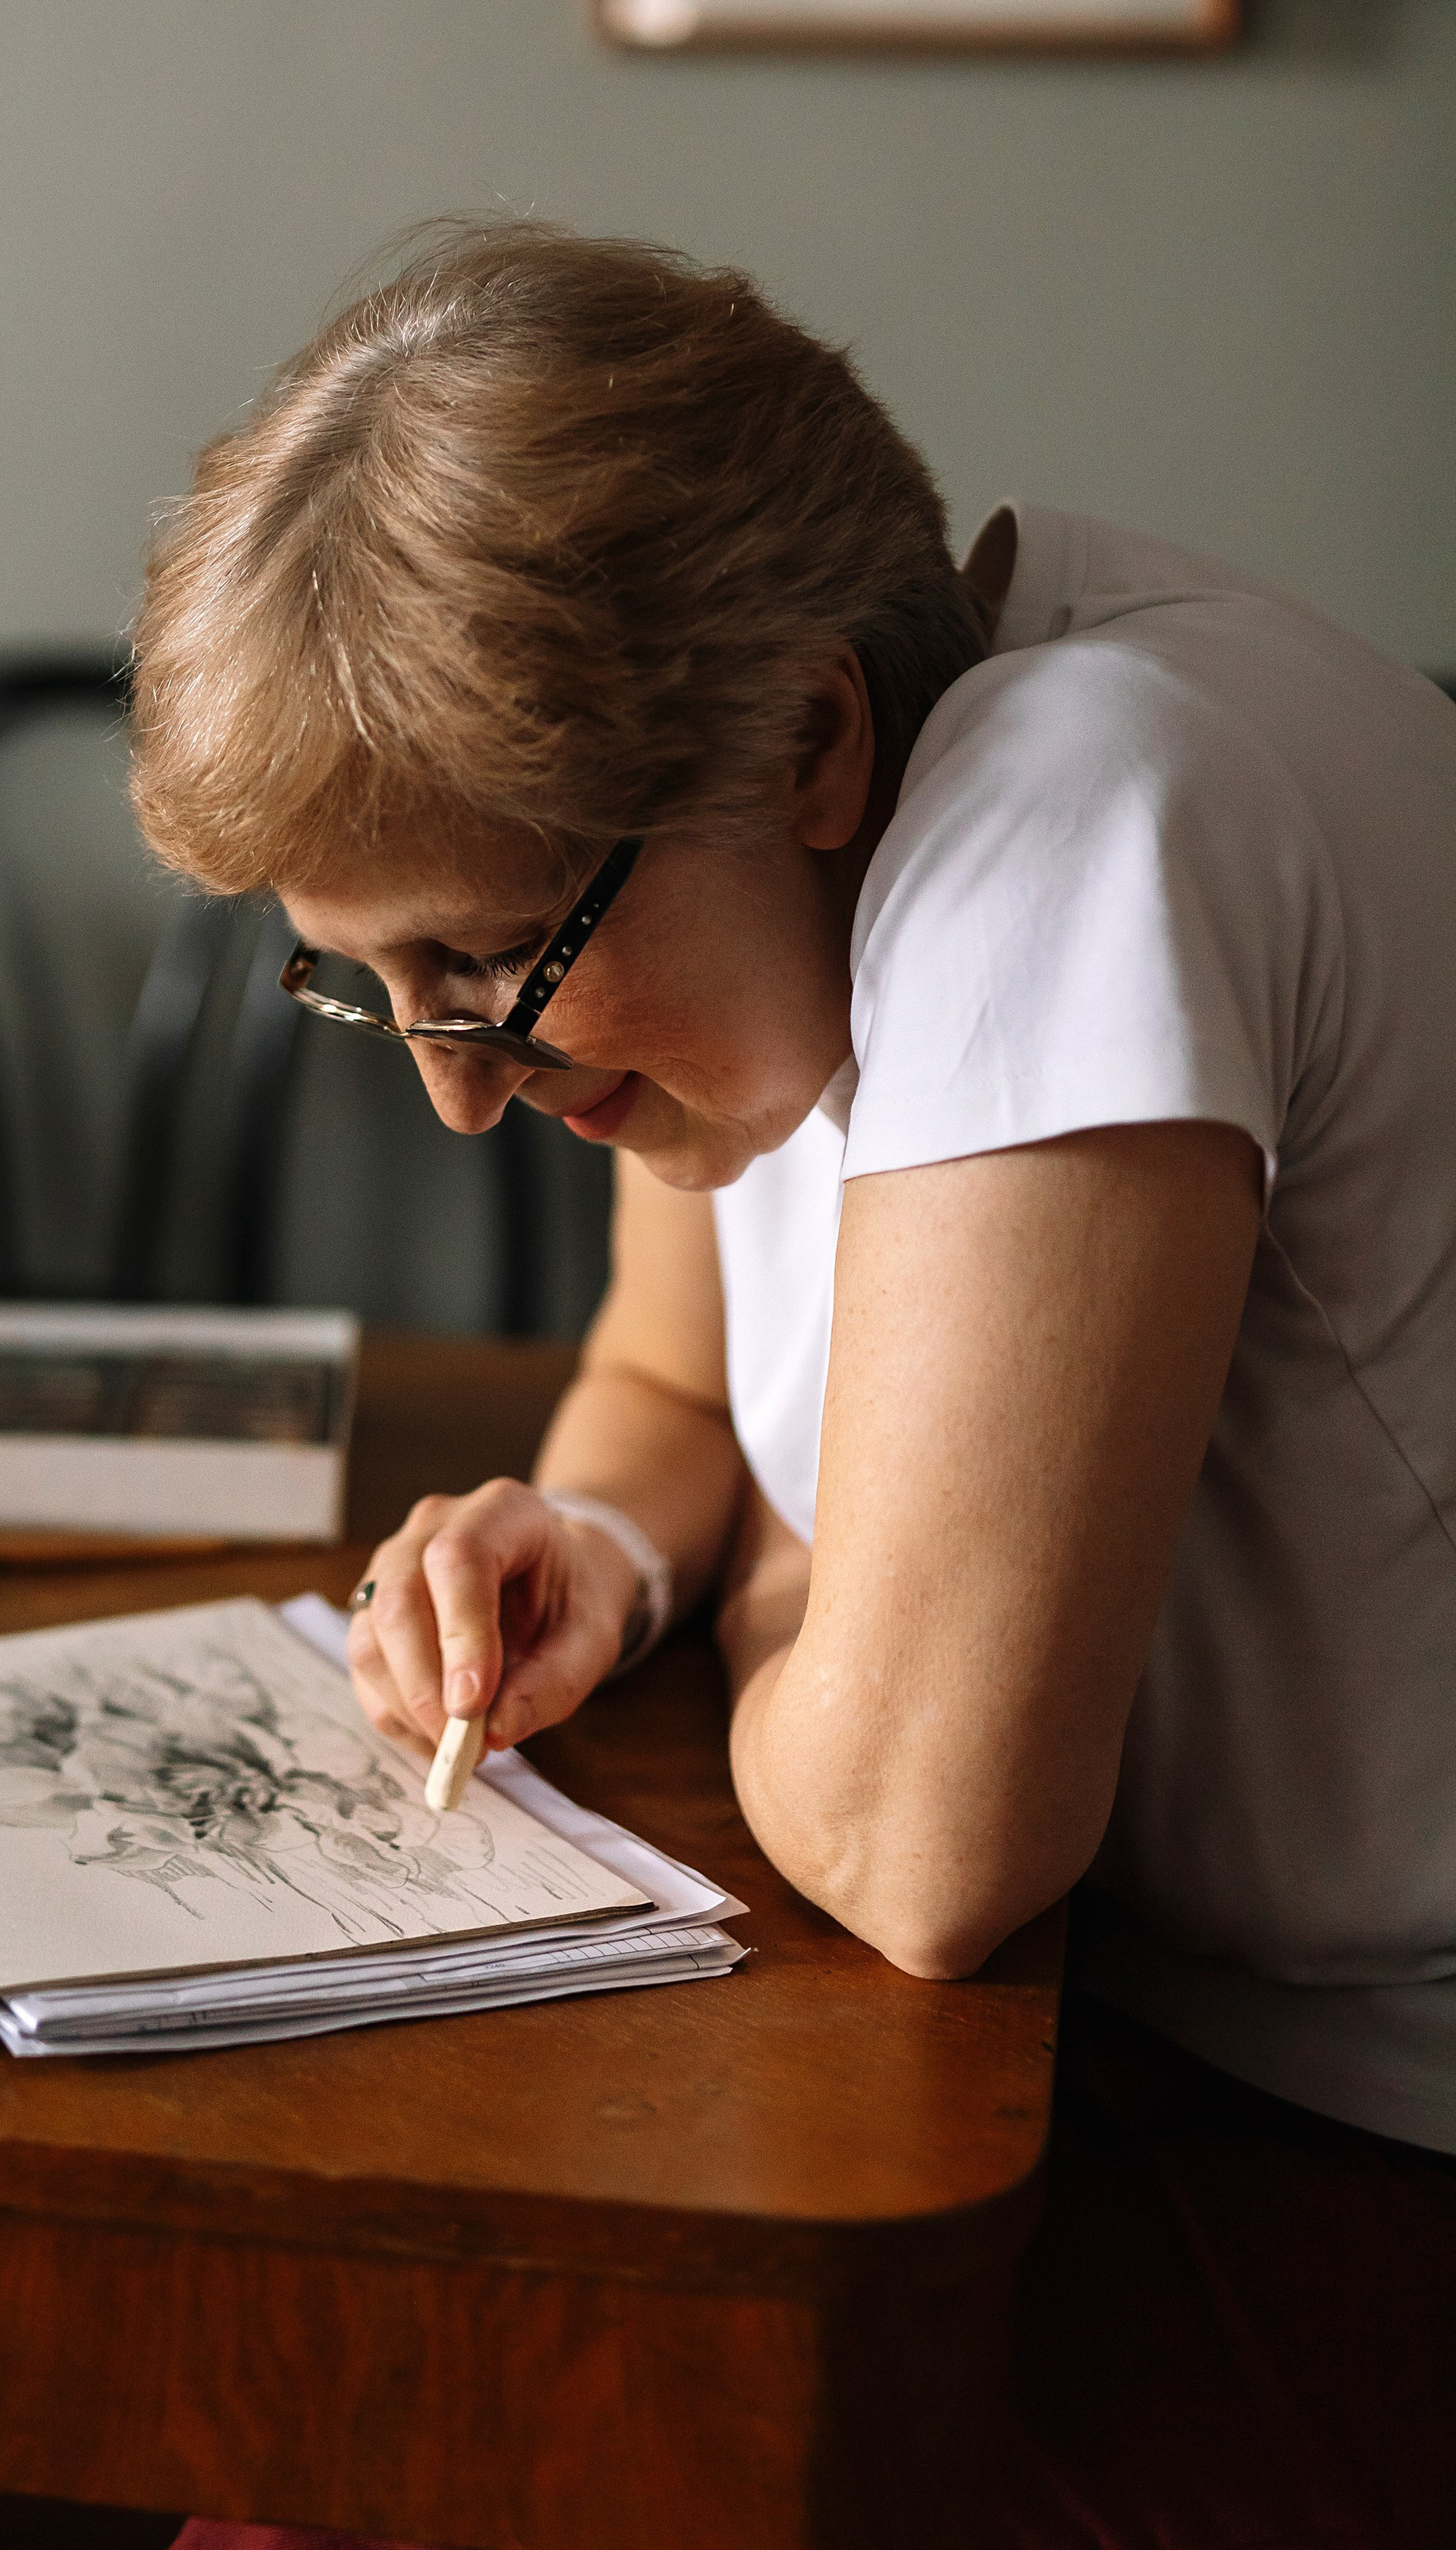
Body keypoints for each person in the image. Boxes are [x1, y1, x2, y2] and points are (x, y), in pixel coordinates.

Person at [131, 221, 1456, 2550]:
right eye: (375, 987)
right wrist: (615, 1546)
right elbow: (665, 1361)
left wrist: (822, 1583)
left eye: (490, 961)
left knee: (370, 2460)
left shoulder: (1077, 816)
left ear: (814, 736)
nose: (455, 1090)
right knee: (316, 2440)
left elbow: (933, 1850)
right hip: (1120, 2036)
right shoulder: (788, 900)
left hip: (1352, 2143)